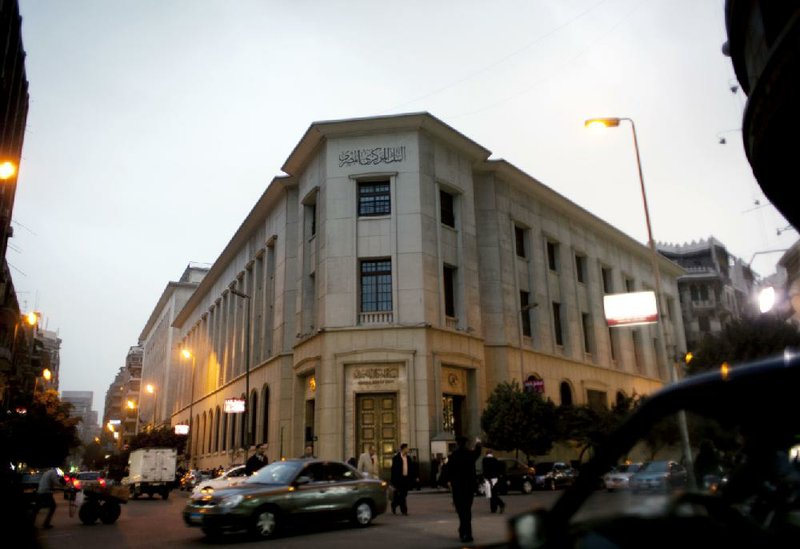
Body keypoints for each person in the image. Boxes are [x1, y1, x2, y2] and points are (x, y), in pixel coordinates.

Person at [444, 436, 482, 543]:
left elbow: (447, 470)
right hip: (468, 487)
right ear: (466, 443)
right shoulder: (469, 454)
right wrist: (478, 444)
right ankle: (467, 533)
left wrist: (448, 482)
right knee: (467, 510)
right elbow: (477, 453)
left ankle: (463, 531)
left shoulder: (453, 456)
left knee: (461, 511)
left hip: (457, 488)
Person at [390, 443, 417, 515]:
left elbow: (411, 469)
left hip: (406, 479)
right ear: (403, 449)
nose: (408, 450)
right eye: (407, 448)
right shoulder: (396, 458)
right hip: (399, 479)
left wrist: (414, 477)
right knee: (402, 495)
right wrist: (393, 481)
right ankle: (404, 510)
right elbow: (393, 470)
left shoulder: (408, 458)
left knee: (404, 494)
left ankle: (394, 504)